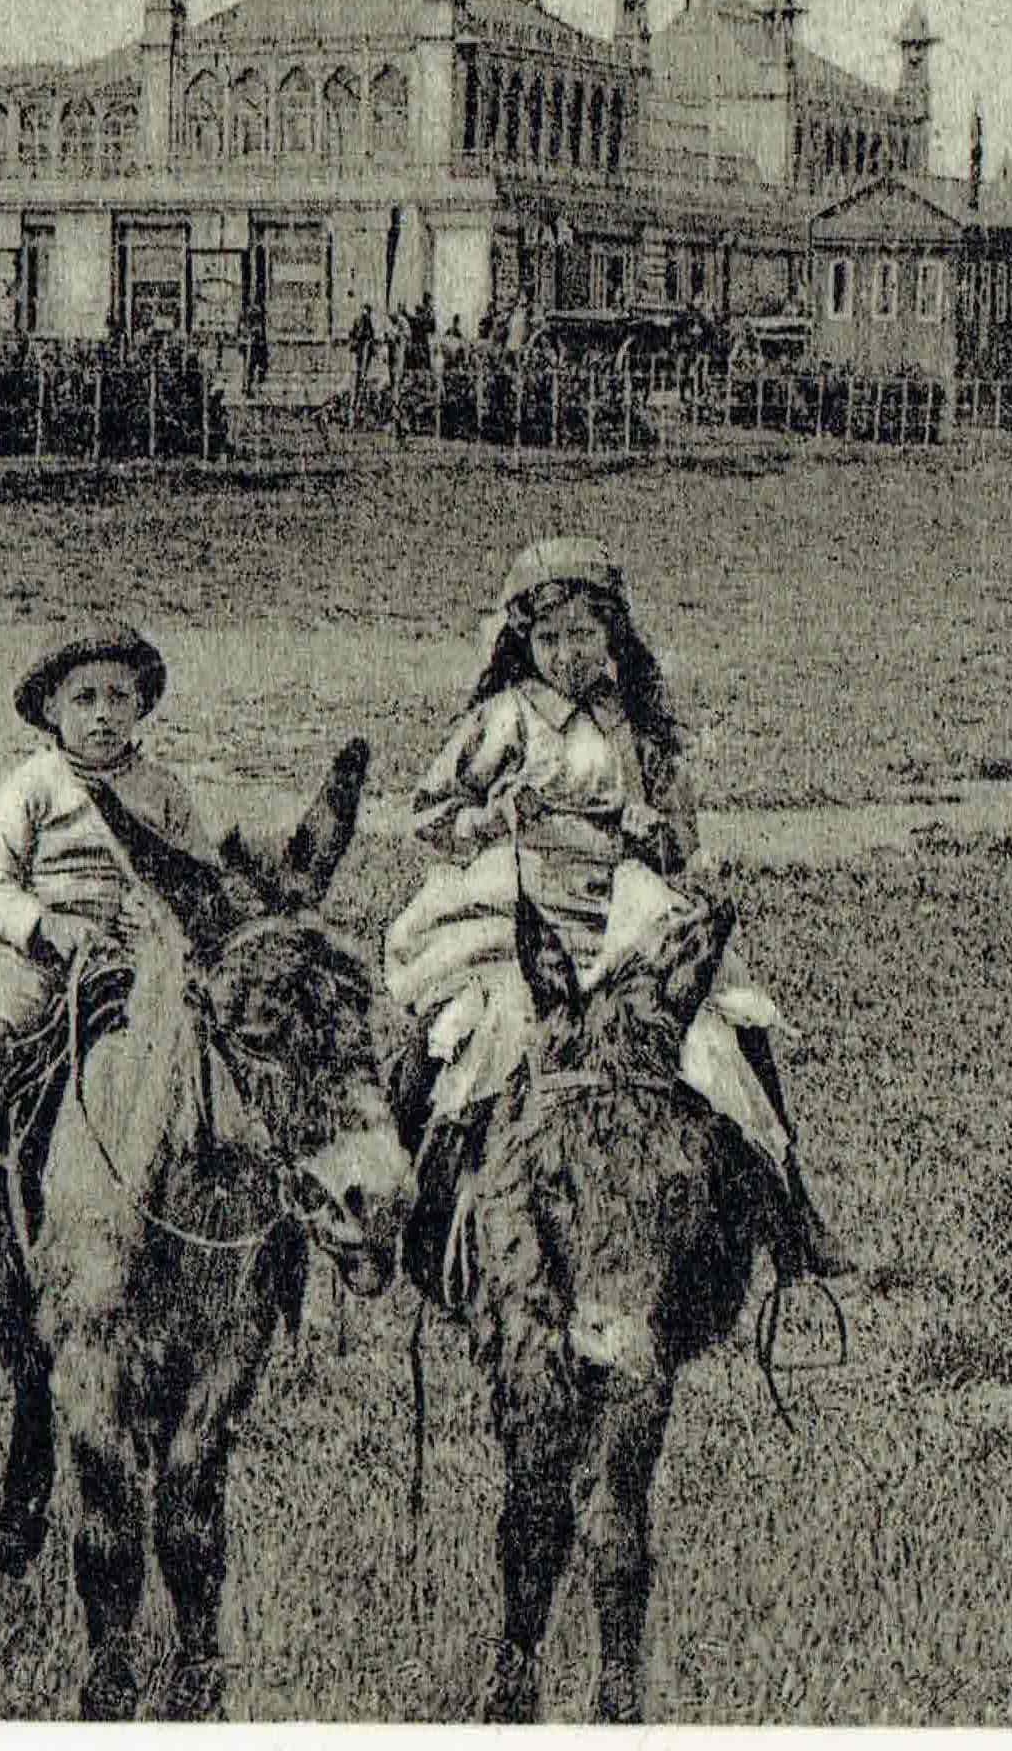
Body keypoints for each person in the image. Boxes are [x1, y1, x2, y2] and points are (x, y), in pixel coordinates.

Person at [383, 536, 850, 1293]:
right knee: (465, 1033)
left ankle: (791, 1205)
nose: (566, 654)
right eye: (549, 637)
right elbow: (429, 815)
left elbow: (683, 839)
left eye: (583, 635)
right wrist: (494, 815)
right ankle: (411, 1197)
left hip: (623, 906)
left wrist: (654, 836)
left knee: (729, 1021)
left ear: (612, 635)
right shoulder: (504, 720)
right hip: (523, 899)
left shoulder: (633, 728)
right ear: (522, 641)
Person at [0, 624, 226, 1350]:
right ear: (52, 709)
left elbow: (201, 883)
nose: (103, 713)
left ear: (143, 706)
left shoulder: (162, 792)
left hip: (136, 967)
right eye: (84, 698)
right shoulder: (31, 788)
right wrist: (44, 925)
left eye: (121, 696)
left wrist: (160, 924)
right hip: (41, 966)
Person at [348, 302, 379, 392]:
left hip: (364, 342)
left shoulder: (363, 318)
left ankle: (362, 375)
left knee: (363, 360)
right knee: (363, 359)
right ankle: (362, 375)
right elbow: (369, 332)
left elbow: (370, 332)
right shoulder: (364, 318)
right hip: (363, 342)